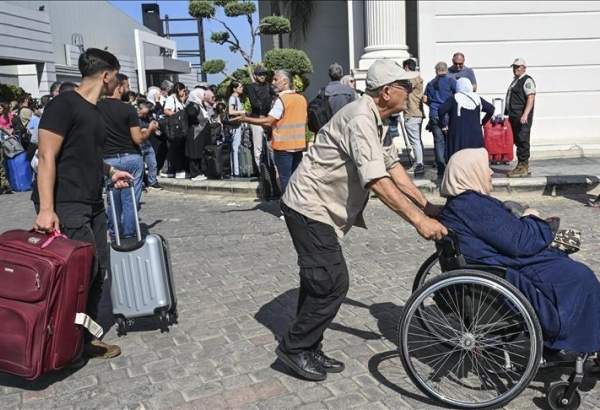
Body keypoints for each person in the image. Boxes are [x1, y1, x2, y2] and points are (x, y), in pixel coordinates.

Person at [272, 59, 447, 381]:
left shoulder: (377, 119)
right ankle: (295, 348)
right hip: (309, 206)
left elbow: (393, 167)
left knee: (318, 281)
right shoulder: (361, 118)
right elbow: (377, 181)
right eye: (405, 86)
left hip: (320, 207)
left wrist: (426, 206)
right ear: (387, 92)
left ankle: (308, 345)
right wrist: (418, 221)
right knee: (332, 282)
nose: (410, 91)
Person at [439, 148, 600, 354]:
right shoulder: (472, 205)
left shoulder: (461, 204)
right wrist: (532, 218)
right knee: (581, 277)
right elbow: (521, 242)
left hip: (502, 264)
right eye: (485, 168)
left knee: (573, 270)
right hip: (510, 270)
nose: (490, 173)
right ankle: (576, 339)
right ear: (470, 172)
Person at [32, 48, 132, 360]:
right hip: (66, 202)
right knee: (75, 274)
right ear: (107, 75)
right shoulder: (63, 105)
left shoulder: (95, 110)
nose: (116, 82)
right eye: (115, 76)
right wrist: (47, 209)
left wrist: (111, 171)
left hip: (92, 201)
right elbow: (47, 155)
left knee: (96, 269)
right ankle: (61, 343)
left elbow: (86, 155)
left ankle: (83, 338)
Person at [234, 70, 307, 194]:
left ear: (285, 81)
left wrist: (245, 119)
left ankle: (287, 209)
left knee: (285, 179)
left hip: (283, 147)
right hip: (298, 146)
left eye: (275, 80)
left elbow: (268, 121)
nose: (272, 82)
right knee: (296, 180)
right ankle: (297, 208)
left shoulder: (282, 100)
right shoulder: (301, 99)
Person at [97, 73, 146, 239]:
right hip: (130, 156)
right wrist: (150, 130)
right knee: (130, 199)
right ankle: (130, 233)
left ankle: (115, 232)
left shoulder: (96, 107)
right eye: (126, 86)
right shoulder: (128, 109)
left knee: (113, 199)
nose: (128, 89)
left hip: (108, 159)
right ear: (119, 87)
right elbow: (137, 138)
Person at [437, 77, 494, 161]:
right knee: (474, 159)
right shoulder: (477, 98)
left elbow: (441, 110)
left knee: (458, 159)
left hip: (458, 135)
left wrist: (444, 125)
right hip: (475, 135)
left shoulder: (454, 98)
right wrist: (483, 122)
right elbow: (491, 109)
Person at [424, 62, 456, 178]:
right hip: (448, 115)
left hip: (434, 114)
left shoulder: (430, 83)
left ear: (436, 70)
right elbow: (457, 95)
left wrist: (433, 105)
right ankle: (450, 167)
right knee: (450, 141)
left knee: (438, 142)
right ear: (446, 70)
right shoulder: (451, 81)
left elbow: (425, 99)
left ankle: (441, 169)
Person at [506, 58, 536, 177]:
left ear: (524, 67)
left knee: (523, 140)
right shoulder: (516, 80)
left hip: (522, 117)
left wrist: (525, 114)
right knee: (518, 140)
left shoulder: (527, 80)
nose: (515, 69)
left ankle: (523, 167)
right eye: (514, 67)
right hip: (515, 116)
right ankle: (521, 165)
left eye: (518, 67)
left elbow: (531, 98)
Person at [245, 66, 276, 168]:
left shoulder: (268, 86)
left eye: (264, 74)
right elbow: (254, 103)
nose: (262, 76)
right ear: (255, 75)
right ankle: (262, 173)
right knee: (258, 148)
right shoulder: (251, 86)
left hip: (268, 119)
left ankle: (272, 170)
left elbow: (276, 96)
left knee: (271, 145)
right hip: (256, 119)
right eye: (260, 74)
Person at [402, 58, 425, 175]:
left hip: (412, 113)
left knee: (415, 141)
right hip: (416, 113)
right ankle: (419, 162)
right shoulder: (418, 77)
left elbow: (406, 87)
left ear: (406, 67)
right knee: (417, 140)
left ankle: (419, 164)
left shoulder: (412, 78)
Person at [162, 82, 188, 179]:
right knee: (174, 149)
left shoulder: (179, 100)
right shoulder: (171, 99)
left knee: (176, 149)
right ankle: (171, 170)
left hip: (179, 128)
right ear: (178, 90)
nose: (184, 92)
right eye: (183, 90)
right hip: (174, 127)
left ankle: (171, 170)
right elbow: (166, 110)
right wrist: (177, 116)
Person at [136, 100, 162, 190]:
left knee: (152, 163)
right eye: (143, 113)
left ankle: (152, 181)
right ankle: (141, 183)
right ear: (138, 109)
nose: (145, 115)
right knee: (140, 165)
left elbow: (153, 126)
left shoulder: (148, 117)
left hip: (147, 143)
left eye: (146, 114)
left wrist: (156, 129)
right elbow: (140, 131)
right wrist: (149, 128)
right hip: (138, 144)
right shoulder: (134, 118)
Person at [185, 88, 210, 181]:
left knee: (198, 152)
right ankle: (194, 173)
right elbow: (192, 115)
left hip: (199, 132)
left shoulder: (200, 104)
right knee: (194, 153)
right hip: (194, 132)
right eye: (203, 95)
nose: (204, 97)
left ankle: (199, 172)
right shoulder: (192, 105)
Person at [227, 81, 247, 177]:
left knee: (236, 147)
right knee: (235, 147)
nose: (242, 88)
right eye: (240, 86)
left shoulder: (237, 99)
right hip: (235, 127)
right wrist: (242, 111)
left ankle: (236, 169)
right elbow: (230, 111)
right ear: (234, 89)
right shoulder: (233, 98)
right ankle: (236, 171)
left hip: (238, 126)